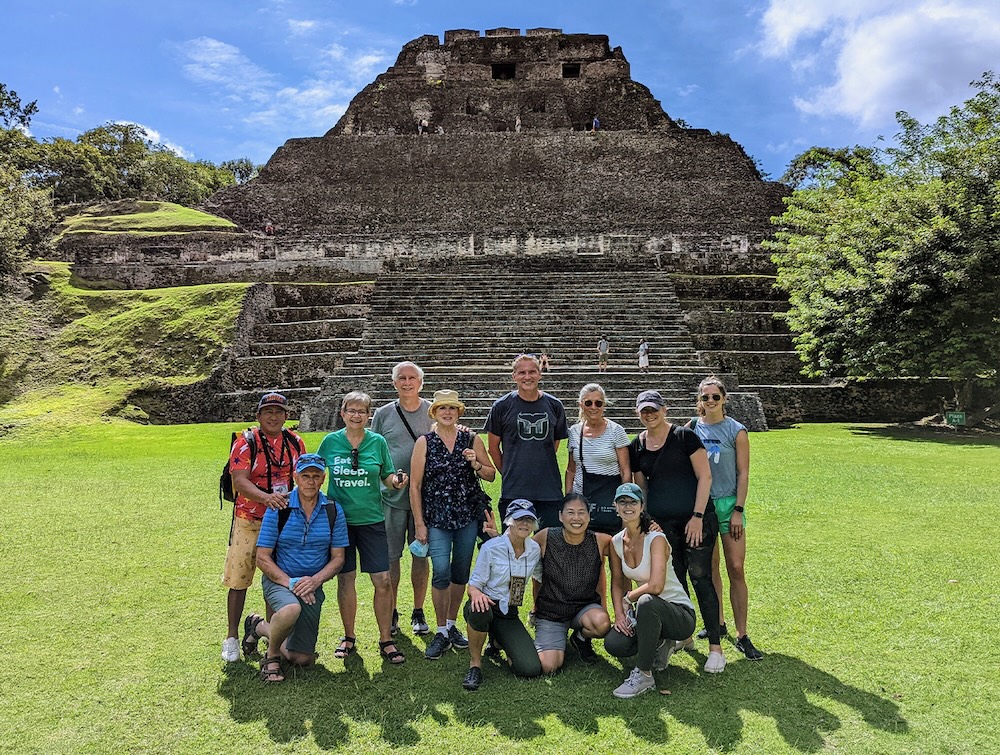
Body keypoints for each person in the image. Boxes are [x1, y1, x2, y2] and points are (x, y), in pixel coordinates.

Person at [629, 389, 725, 673]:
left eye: (654, 409)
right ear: (638, 413)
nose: (650, 415)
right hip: (663, 524)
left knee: (700, 577)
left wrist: (697, 516)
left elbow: (704, 476)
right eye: (644, 411)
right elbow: (641, 487)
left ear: (665, 409)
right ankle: (684, 636)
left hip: (695, 519)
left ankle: (716, 647)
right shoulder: (638, 445)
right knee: (675, 580)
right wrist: (647, 520)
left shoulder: (684, 437)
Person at [317, 392, 409, 664]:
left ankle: (386, 639)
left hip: (371, 519)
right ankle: (349, 636)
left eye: (362, 411)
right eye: (351, 410)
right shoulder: (330, 442)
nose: (356, 415)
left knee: (382, 579)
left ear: (369, 416)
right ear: (342, 413)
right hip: (340, 521)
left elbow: (387, 475)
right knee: (346, 579)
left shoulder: (377, 442)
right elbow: (316, 474)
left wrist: (397, 480)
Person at [242, 454, 349, 682]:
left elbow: (338, 558)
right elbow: (262, 558)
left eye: (316, 476)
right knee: (290, 609)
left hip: (311, 586)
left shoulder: (333, 510)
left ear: (323, 479)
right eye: (305, 476)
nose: (310, 481)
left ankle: (258, 626)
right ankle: (271, 659)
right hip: (280, 580)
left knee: (302, 659)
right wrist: (289, 583)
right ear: (295, 477)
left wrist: (315, 581)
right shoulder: (278, 508)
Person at [410, 390, 497, 659]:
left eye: (452, 408)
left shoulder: (471, 439)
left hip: (466, 517)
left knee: (460, 572)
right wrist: (419, 523)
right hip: (437, 518)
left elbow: (491, 474)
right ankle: (439, 630)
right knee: (440, 572)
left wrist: (475, 464)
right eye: (442, 408)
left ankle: (450, 625)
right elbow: (415, 485)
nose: (447, 413)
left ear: (459, 412)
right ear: (434, 413)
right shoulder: (425, 442)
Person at [222, 392, 306, 663]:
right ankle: (232, 636)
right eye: (268, 411)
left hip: (283, 518)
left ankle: (272, 633)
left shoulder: (294, 442)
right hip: (251, 517)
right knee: (239, 577)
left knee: (277, 576)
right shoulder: (246, 443)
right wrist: (266, 497)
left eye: (279, 412)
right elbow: (240, 480)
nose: (273, 416)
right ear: (259, 415)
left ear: (286, 416)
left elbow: (303, 476)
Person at [689, 376, 763, 661]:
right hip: (704, 506)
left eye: (715, 397)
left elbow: (743, 473)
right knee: (710, 567)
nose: (710, 402)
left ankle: (742, 634)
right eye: (705, 397)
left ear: (724, 399)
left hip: (729, 504)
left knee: (736, 567)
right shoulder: (693, 427)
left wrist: (738, 509)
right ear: (700, 401)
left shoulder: (737, 430)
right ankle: (717, 623)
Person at [604, 483, 697, 698]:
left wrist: (630, 598)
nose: (628, 507)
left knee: (646, 600)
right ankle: (663, 642)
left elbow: (656, 586)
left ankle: (644, 674)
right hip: (648, 613)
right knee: (615, 644)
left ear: (642, 506)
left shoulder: (656, 539)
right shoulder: (616, 542)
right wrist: (620, 614)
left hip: (679, 613)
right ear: (615, 506)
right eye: (622, 502)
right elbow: (617, 581)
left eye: (633, 502)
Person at [369, 361, 431, 638]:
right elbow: (374, 451)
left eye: (412, 378)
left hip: (425, 499)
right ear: (394, 383)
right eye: (402, 378)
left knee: (421, 555)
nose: (407, 383)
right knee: (391, 558)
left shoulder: (432, 411)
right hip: (391, 497)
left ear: (420, 382)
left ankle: (418, 610)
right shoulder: (383, 414)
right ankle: (391, 609)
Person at [461, 499, 543, 690]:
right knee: (479, 612)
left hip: (509, 612)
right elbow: (472, 586)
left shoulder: (535, 550)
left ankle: (497, 641)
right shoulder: (491, 547)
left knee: (530, 668)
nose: (524, 524)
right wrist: (477, 596)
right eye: (519, 519)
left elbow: (540, 577)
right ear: (509, 521)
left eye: (529, 520)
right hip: (487, 605)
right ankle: (475, 664)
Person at [485, 354, 568, 529]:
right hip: (514, 491)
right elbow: (493, 447)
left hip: (549, 490)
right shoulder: (501, 406)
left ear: (540, 374)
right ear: (514, 376)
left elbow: (554, 444)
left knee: (549, 547)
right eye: (522, 372)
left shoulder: (554, 405)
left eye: (532, 371)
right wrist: (508, 472)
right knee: (513, 547)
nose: (527, 377)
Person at [532, 493, 613, 673]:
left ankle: (580, 638)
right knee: (548, 666)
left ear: (589, 516)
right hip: (551, 612)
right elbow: (520, 554)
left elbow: (630, 542)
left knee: (602, 624)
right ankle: (551, 642)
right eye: (570, 512)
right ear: (560, 516)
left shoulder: (600, 541)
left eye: (581, 512)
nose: (576, 518)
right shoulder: (545, 537)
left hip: (584, 609)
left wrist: (649, 527)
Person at [565, 383, 631, 535]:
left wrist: (625, 503)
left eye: (598, 403)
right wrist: (568, 499)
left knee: (615, 551)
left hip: (610, 500)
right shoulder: (574, 432)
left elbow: (625, 471)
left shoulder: (616, 431)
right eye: (588, 403)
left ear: (604, 405)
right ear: (581, 404)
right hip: (582, 502)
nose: (593, 407)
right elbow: (571, 469)